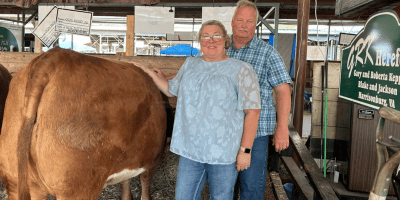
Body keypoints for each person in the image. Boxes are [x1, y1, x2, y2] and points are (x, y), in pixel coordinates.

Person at [133, 20, 261, 200]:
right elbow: (171, 90)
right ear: (200, 42)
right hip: (191, 151)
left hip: (224, 154)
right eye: (205, 36)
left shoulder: (242, 69)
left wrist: (245, 151)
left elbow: (253, 112)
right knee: (184, 197)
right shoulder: (190, 64)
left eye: (216, 35)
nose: (211, 40)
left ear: (225, 40)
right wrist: (148, 73)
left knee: (221, 197)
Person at [227, 1, 292, 199]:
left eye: (249, 21)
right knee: (223, 187)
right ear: (232, 22)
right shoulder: (222, 51)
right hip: (224, 132)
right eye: (240, 20)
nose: (244, 25)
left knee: (252, 188)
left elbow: (283, 90)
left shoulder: (268, 53)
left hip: (257, 133)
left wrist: (282, 127)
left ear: (255, 25)